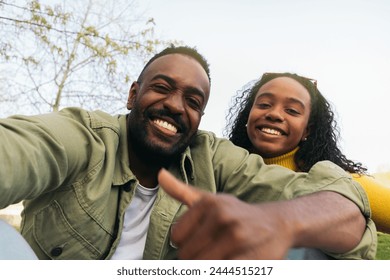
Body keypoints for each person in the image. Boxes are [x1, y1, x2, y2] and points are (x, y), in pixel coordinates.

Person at [0, 46, 376, 260]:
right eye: (162, 87)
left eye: (193, 101)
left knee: (307, 250)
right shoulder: (84, 136)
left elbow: (348, 208)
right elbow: (21, 148)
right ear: (133, 94)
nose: (176, 106)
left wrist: (279, 222)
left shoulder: (212, 157)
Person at [225, 72, 390, 235]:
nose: (274, 114)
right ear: (247, 116)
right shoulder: (219, 167)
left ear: (307, 130)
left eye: (292, 110)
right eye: (264, 104)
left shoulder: (339, 183)